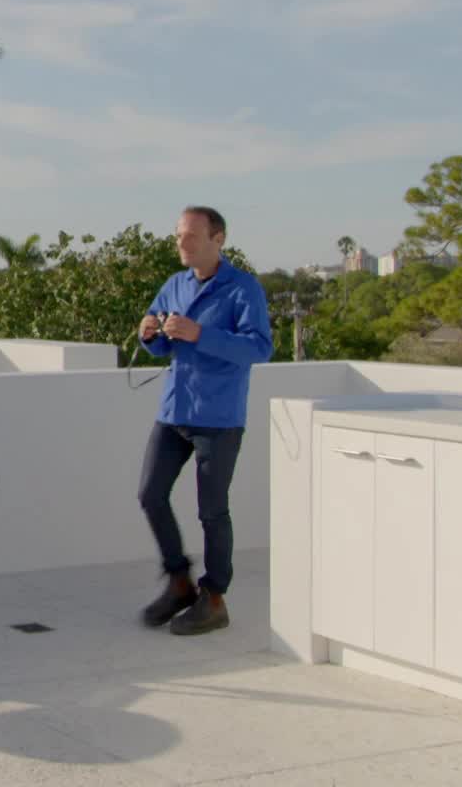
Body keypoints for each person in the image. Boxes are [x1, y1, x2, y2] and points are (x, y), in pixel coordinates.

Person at [135, 206, 272, 636]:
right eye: (179, 235)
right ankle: (179, 581)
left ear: (218, 239)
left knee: (212, 511)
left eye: (191, 236)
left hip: (219, 416)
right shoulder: (174, 285)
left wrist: (200, 334)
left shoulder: (242, 288)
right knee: (150, 494)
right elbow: (162, 345)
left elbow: (259, 348)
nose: (182, 243)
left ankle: (213, 599)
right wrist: (149, 333)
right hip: (175, 411)